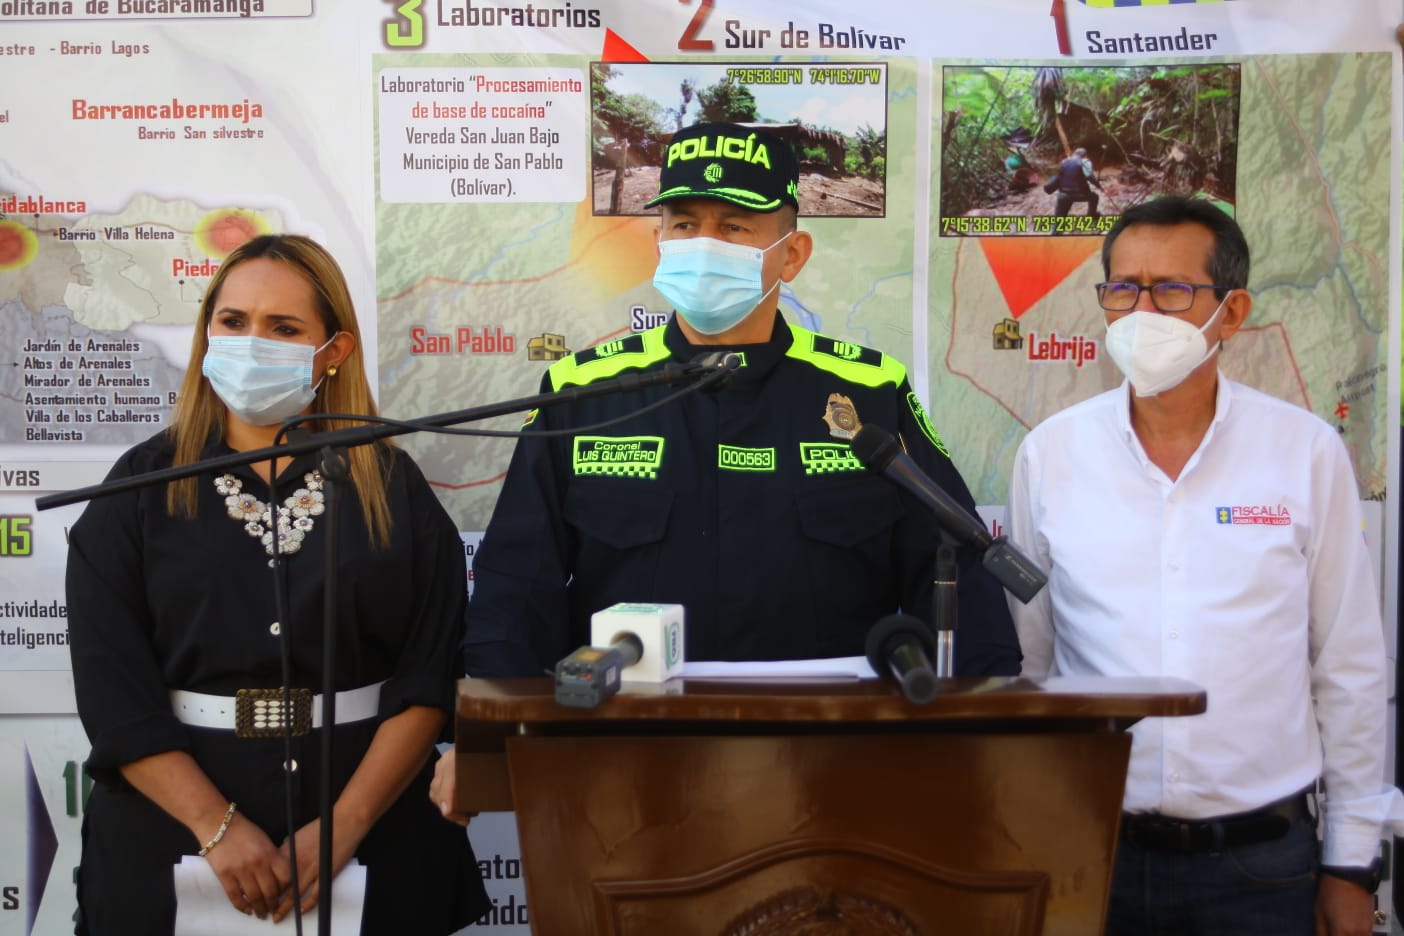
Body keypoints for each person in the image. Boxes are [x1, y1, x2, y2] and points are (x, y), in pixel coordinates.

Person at [430, 121, 1021, 819]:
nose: (702, 244)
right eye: (684, 223)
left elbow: (955, 572)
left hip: (829, 779)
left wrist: (981, 739)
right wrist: (491, 736)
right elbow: (514, 585)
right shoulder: (584, 392)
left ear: (791, 253)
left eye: (734, 226)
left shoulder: (867, 395)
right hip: (623, 777)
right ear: (659, 245)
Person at [65, 234, 489, 933]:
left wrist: (344, 827)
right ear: (207, 333)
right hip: (170, 838)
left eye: (283, 328)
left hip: (375, 834)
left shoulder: (391, 486)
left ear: (334, 352)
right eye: (233, 322)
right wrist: (217, 828)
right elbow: (114, 692)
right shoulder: (138, 489)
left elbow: (429, 674)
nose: (251, 341)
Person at [1006, 195, 1403, 936]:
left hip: (1261, 869)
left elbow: (1347, 668)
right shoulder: (1052, 455)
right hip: (1095, 856)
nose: (1141, 312)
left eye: (1173, 290)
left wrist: (1352, 865)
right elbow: (1036, 661)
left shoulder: (1305, 452)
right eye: (1124, 288)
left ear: (1234, 310)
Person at [1052, 146, 1101, 218]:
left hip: (1063, 193)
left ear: (1074, 154)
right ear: (1085, 155)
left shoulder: (1064, 162)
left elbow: (1059, 176)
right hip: (1080, 194)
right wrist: (1098, 186)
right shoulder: (1085, 162)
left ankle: (1056, 225)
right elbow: (1090, 177)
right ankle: (1091, 215)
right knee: (1095, 197)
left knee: (1060, 210)